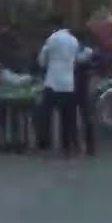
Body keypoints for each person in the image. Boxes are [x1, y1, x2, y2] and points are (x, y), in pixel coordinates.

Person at [37, 15, 81, 156]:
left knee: (45, 114)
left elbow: (42, 61)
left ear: (53, 26)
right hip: (69, 83)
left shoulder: (52, 39)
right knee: (67, 117)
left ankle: (45, 143)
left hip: (53, 82)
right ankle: (66, 146)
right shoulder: (74, 41)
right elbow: (76, 60)